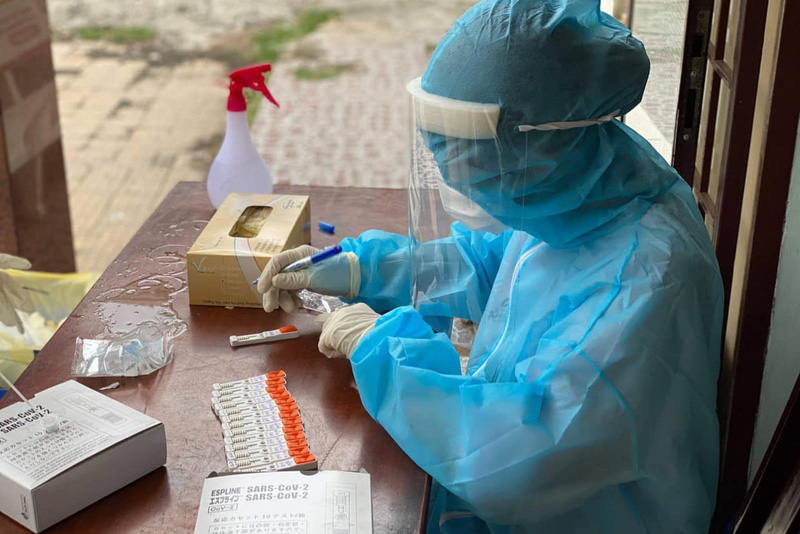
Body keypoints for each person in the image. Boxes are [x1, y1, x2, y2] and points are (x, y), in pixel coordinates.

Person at [257, 0, 724, 531]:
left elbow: (521, 458)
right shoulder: (577, 181)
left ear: (542, 138)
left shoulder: (648, 281)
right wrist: (360, 266)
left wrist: (382, 350)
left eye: (475, 153)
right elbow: (494, 265)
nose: (456, 170)